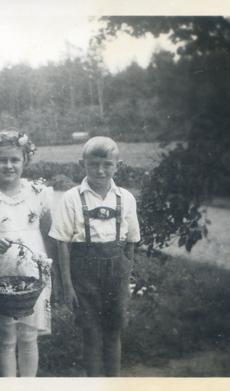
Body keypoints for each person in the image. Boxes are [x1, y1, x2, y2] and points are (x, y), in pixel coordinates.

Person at [49, 136, 140, 377]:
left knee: (113, 333)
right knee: (90, 335)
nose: (100, 171)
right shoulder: (71, 198)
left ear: (117, 165)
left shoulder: (126, 198)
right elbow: (62, 244)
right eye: (93, 164)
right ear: (82, 164)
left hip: (116, 276)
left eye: (107, 164)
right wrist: (67, 284)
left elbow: (131, 243)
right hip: (84, 277)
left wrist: (126, 281)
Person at [0, 129, 54, 377]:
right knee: (6, 337)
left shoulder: (38, 193)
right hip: (0, 273)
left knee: (29, 336)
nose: (8, 166)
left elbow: (48, 232)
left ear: (25, 160)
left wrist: (50, 272)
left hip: (33, 271)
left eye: (15, 160)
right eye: (2, 160)